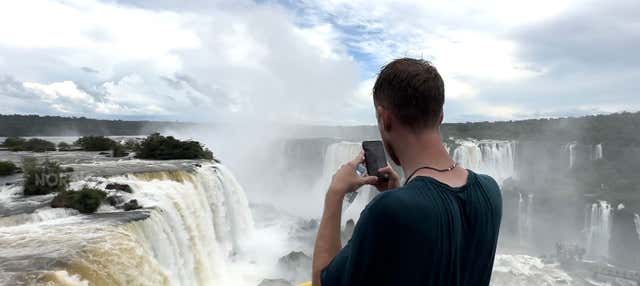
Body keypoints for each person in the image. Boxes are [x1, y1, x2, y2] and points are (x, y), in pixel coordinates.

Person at [312, 58, 503, 286]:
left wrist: (334, 194)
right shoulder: (491, 191)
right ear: (441, 115)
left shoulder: (386, 211)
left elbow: (321, 282)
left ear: (385, 119)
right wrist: (401, 194)